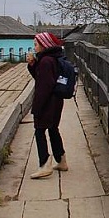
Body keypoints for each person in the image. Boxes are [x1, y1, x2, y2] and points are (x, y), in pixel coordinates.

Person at [26, 32, 68, 179]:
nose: (34, 48)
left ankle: (44, 164)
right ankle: (61, 160)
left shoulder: (45, 62)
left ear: (44, 45)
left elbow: (43, 86)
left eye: (36, 45)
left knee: (39, 131)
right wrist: (32, 65)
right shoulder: (54, 58)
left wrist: (36, 108)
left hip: (47, 103)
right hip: (57, 101)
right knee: (53, 129)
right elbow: (42, 77)